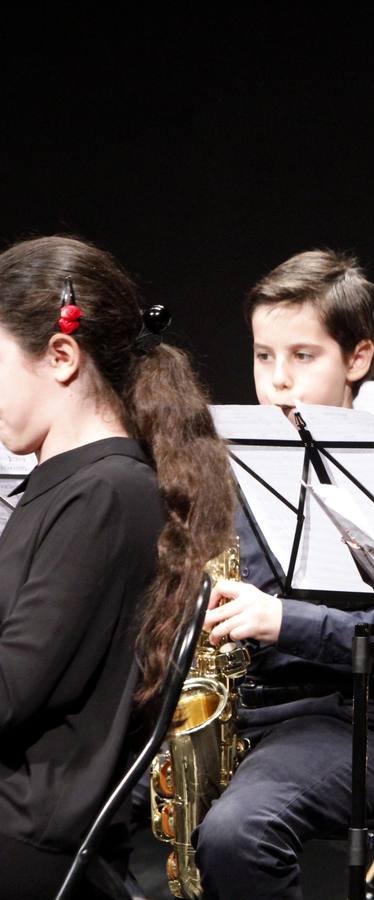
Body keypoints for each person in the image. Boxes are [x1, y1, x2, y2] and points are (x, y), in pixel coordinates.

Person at [197, 250, 374, 900]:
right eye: (263, 356)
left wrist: (285, 622)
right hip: (235, 716)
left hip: (353, 722)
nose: (277, 381)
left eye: (303, 356)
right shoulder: (229, 468)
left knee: (238, 832)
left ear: (358, 358)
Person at [0, 236, 235, 898]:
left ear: (62, 356)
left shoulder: (105, 496)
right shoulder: (68, 483)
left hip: (29, 833)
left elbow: (11, 689)